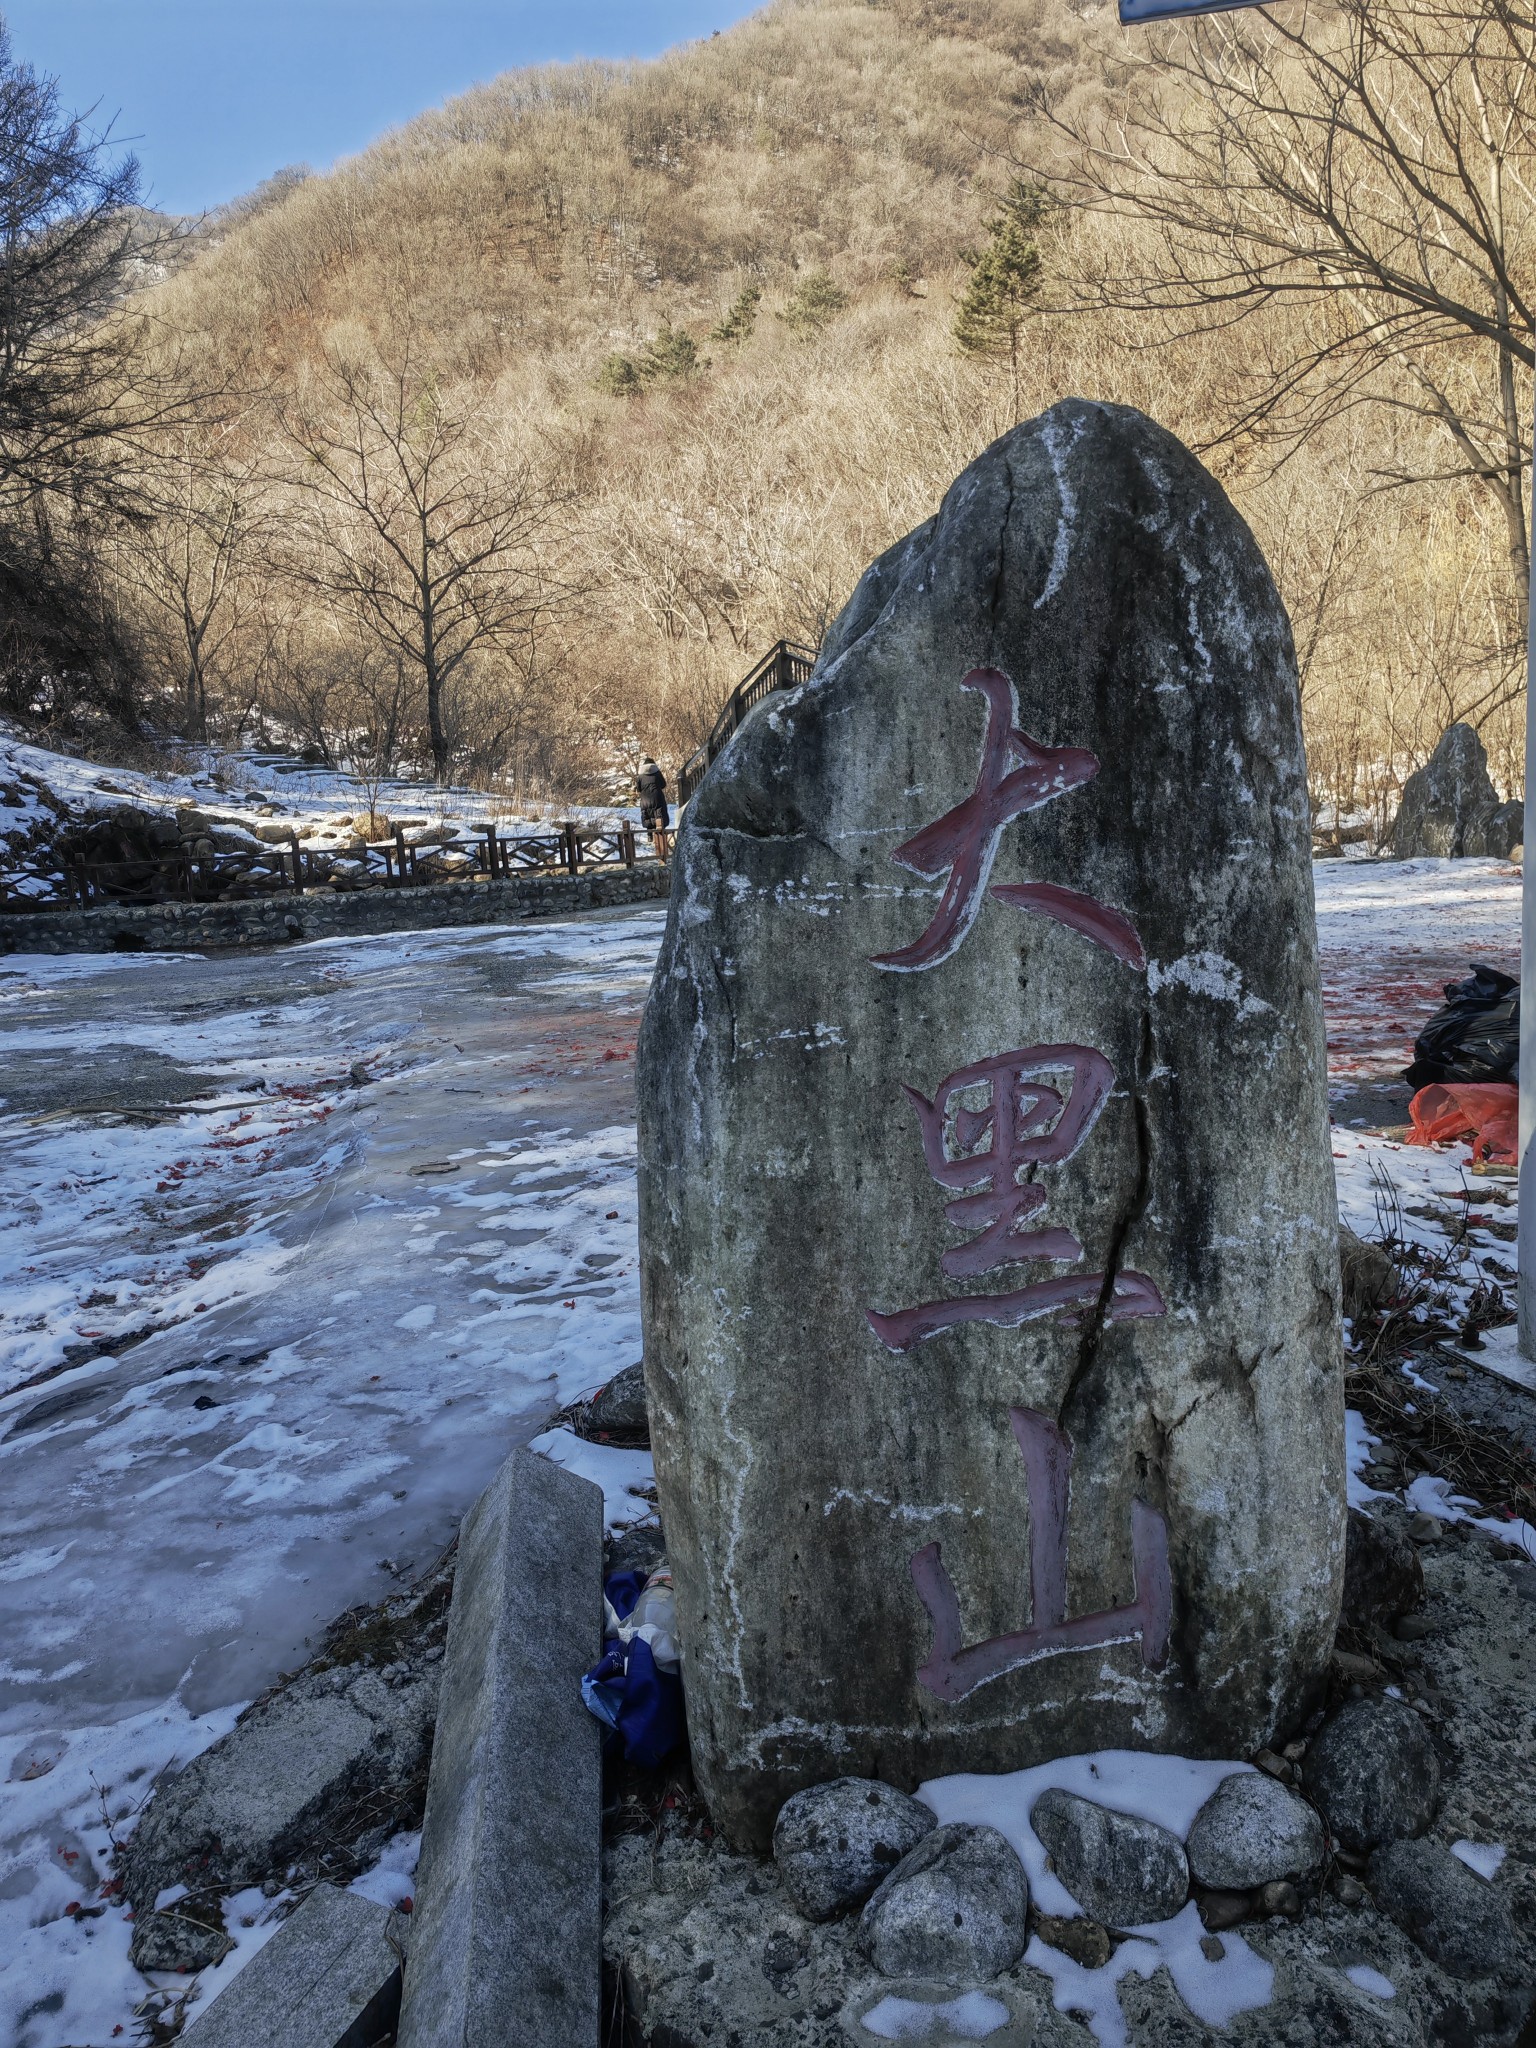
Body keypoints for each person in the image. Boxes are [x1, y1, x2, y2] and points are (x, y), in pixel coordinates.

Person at [636, 757, 670, 853]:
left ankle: (649, 835)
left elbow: (638, 789)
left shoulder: (640, 776)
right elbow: (663, 785)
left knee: (647, 815)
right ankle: (660, 840)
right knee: (659, 815)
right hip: (657, 797)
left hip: (645, 799)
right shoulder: (657, 773)